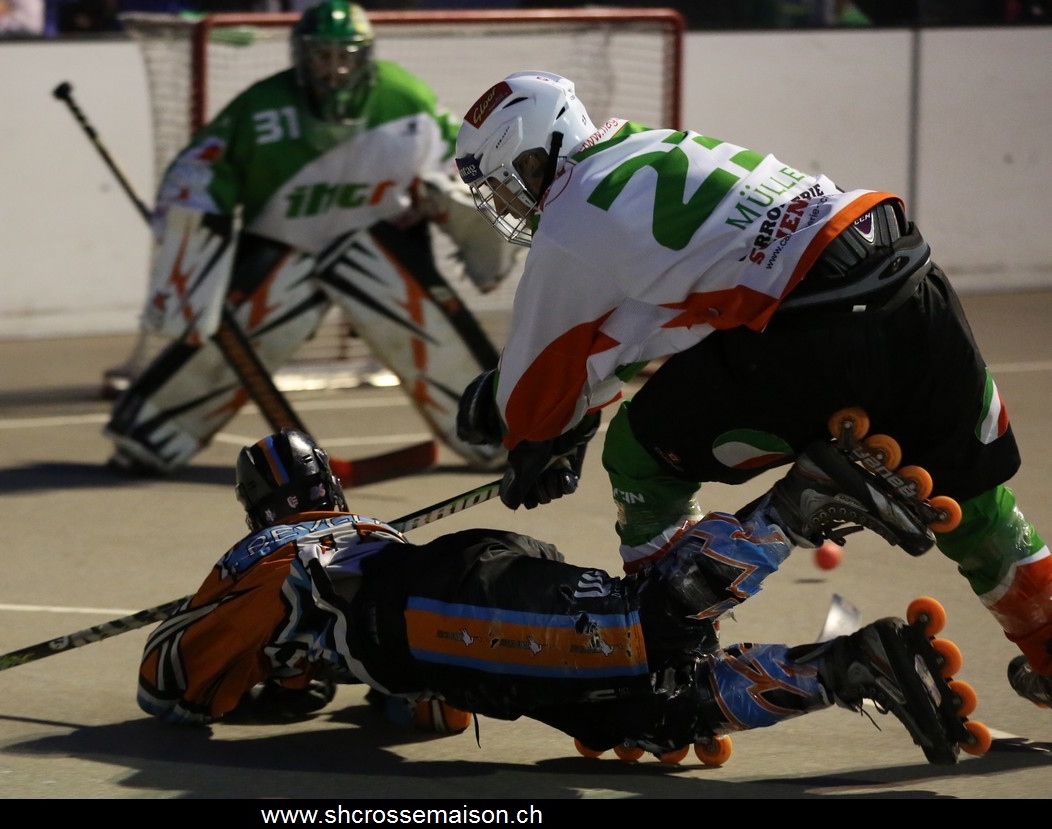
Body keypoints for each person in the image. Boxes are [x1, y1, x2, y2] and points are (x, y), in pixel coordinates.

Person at [449, 70, 1051, 709]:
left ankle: (671, 656)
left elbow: (533, 393)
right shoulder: (651, 147)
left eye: (507, 185)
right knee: (969, 496)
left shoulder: (570, 217)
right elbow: (653, 318)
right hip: (908, 279)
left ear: (537, 154)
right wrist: (577, 410)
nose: (508, 206)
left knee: (637, 457)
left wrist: (530, 434)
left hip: (817, 334)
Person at [136, 428, 987, 765]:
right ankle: (853, 665)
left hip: (433, 604)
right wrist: (316, 680)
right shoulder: (359, 536)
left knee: (638, 629)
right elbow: (432, 709)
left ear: (256, 507)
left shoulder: (263, 560)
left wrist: (267, 672)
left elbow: (168, 681)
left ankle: (801, 500)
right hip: (448, 618)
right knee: (651, 712)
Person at [103, 0, 516, 473]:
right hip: (284, 246)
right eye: (322, 55)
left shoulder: (404, 98)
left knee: (433, 333)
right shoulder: (261, 108)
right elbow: (200, 170)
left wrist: (449, 201)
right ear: (301, 56)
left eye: (345, 55)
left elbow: (460, 161)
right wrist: (190, 226)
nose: (334, 68)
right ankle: (149, 435)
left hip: (377, 242)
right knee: (237, 336)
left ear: (366, 55)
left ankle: (495, 435)